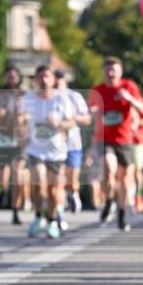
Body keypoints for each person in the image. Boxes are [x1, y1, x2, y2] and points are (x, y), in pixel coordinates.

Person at [88, 56, 143, 233]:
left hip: (125, 140)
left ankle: (122, 212)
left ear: (120, 72)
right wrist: (93, 112)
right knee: (109, 168)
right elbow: (89, 112)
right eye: (108, 69)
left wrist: (129, 98)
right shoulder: (98, 90)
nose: (111, 72)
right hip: (105, 139)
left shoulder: (129, 87)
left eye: (114, 69)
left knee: (124, 180)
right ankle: (108, 201)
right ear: (103, 72)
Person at [20, 65, 75, 240]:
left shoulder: (61, 99)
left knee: (53, 191)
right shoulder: (28, 98)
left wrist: (59, 123)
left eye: (47, 76)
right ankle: (38, 217)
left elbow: (71, 122)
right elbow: (19, 120)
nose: (44, 80)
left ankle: (51, 221)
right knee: (39, 185)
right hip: (36, 150)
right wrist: (22, 124)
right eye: (40, 76)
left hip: (56, 152)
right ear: (35, 79)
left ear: (53, 79)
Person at [0, 64, 26, 224]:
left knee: (17, 174)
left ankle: (15, 210)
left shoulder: (25, 95)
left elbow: (33, 114)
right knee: (3, 177)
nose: (11, 79)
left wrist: (25, 119)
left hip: (19, 140)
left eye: (14, 76)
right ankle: (2, 192)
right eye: (8, 76)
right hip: (1, 139)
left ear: (19, 78)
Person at [54, 70, 91, 215]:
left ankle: (73, 194)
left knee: (73, 177)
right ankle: (60, 206)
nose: (57, 82)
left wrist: (72, 119)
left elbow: (87, 119)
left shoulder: (74, 96)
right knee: (60, 176)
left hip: (73, 143)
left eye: (60, 79)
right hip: (55, 145)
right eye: (55, 79)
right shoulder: (47, 97)